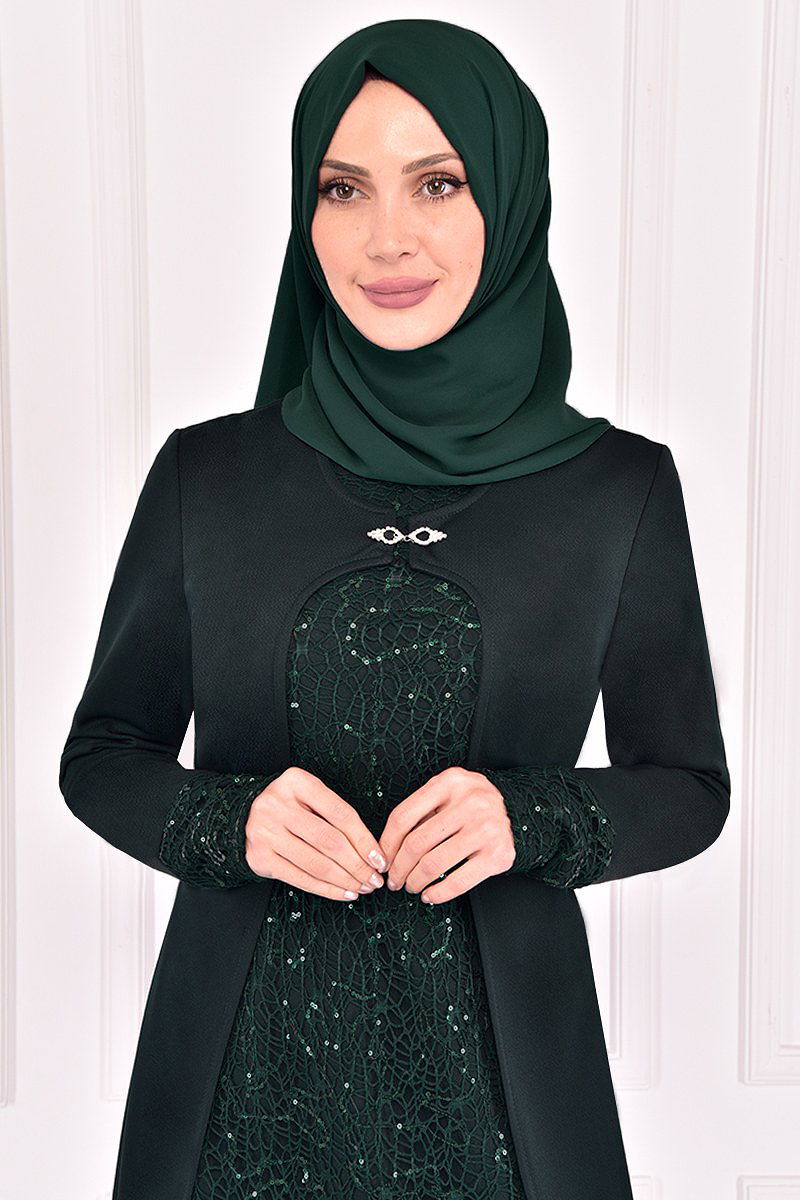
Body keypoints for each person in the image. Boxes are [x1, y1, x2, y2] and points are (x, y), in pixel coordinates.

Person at [59, 18, 731, 1200]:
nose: (385, 238)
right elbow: (103, 754)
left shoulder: (615, 489)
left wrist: (527, 817)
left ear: (507, 200)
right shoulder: (209, 475)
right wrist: (229, 821)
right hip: (230, 1094)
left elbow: (686, 786)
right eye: (341, 188)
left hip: (508, 1105)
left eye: (437, 182)